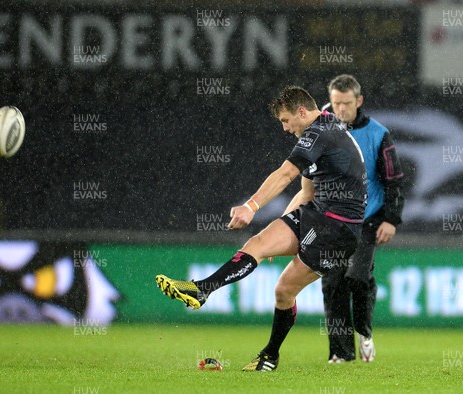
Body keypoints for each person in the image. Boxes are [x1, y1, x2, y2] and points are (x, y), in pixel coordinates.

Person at [155, 86, 367, 371]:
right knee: (258, 244)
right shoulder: (320, 132)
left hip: (338, 230)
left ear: (302, 112)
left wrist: (250, 207)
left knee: (283, 289)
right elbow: (306, 193)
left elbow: (285, 174)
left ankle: (270, 355)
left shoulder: (320, 132)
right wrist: (279, 232)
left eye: (285, 120)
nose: (284, 128)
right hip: (318, 214)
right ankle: (201, 290)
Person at [321, 74, 404, 363]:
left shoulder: (379, 134)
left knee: (356, 277)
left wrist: (391, 219)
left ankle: (364, 331)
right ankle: (341, 354)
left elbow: (393, 180)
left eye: (345, 103)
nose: (340, 110)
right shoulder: (322, 130)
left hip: (366, 222)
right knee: (333, 284)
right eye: (334, 103)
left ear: (359, 101)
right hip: (331, 221)